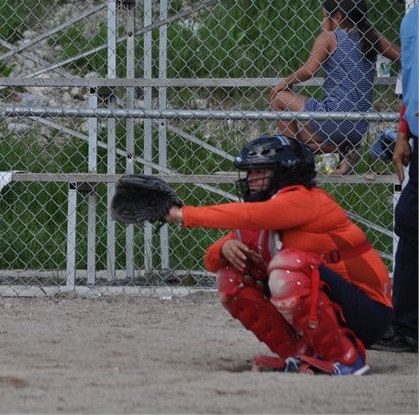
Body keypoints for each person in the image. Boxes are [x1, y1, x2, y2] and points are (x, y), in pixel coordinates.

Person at [163, 135, 393, 375]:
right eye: (250, 172)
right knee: (231, 276)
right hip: (334, 308)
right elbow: (211, 261)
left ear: (285, 172)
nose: (251, 179)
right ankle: (299, 352)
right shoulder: (267, 209)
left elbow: (249, 215)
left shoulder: (305, 200)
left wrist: (182, 214)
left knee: (289, 266)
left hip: (369, 312)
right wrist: (224, 249)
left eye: (260, 171)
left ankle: (346, 359)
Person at [270, 0, 401, 175]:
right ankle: (344, 148)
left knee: (278, 98)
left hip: (333, 117)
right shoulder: (372, 37)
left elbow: (309, 70)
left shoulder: (329, 37)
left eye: (325, 17)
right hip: (359, 125)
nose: (322, 22)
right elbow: (402, 56)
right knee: (299, 137)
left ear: (337, 17)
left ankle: (295, 163)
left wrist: (284, 83)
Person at [371, 0, 418, 353]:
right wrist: (402, 133)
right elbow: (410, 84)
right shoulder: (412, 20)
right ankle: (407, 326)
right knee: (409, 218)